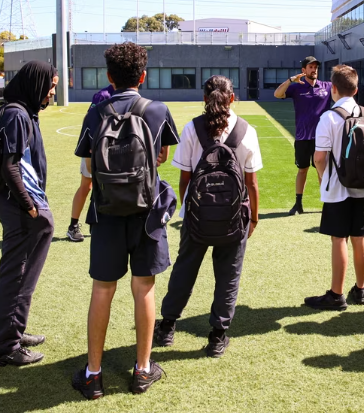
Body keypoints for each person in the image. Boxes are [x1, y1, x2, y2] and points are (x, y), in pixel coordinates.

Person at [71, 43, 180, 399]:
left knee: (103, 288)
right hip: (147, 213)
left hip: (105, 213)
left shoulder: (96, 111)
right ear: (143, 75)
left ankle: (93, 374)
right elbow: (162, 155)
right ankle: (143, 370)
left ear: (108, 76)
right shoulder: (157, 109)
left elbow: (89, 164)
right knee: (143, 287)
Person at [153, 75, 262, 358]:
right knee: (228, 275)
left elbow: (185, 178)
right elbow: (251, 184)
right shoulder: (247, 130)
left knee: (185, 268)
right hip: (234, 216)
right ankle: (217, 336)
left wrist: (190, 208)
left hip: (197, 215)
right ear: (233, 98)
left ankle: (166, 327)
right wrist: (253, 218)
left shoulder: (192, 128)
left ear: (204, 98)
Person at [0, 61, 58, 367]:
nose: (53, 91)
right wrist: (30, 207)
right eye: (51, 85)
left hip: (23, 205)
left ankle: (14, 332)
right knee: (16, 276)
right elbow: (10, 166)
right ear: (36, 84)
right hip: (20, 207)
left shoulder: (23, 112)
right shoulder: (16, 114)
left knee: (22, 274)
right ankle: (5, 347)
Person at [303, 64, 364, 310]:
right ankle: (361, 289)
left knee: (338, 239)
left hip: (338, 186)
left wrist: (323, 179)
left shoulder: (329, 117)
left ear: (333, 88)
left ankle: (336, 294)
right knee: (360, 237)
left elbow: (319, 158)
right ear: (355, 89)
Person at [274, 56, 332, 216]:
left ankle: (327, 204)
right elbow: (277, 94)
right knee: (302, 170)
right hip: (302, 137)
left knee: (322, 171)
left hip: (322, 137)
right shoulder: (296, 87)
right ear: (303, 70)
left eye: (316, 67)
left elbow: (343, 92)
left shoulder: (327, 86)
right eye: (310, 67)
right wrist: (290, 80)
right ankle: (298, 204)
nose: (314, 70)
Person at [66, 84, 115, 242]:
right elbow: (89, 119)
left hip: (115, 151)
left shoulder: (129, 92)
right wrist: (88, 152)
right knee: (87, 185)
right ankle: (73, 225)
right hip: (94, 148)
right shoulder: (103, 95)